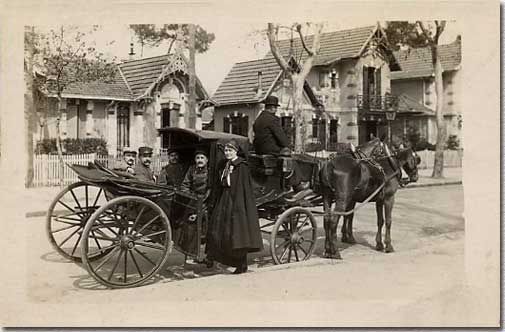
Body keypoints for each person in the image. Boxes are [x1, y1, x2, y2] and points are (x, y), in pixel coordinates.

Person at [205, 139, 262, 274]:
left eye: (230, 150)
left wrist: (238, 205)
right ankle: (218, 257)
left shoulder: (241, 166)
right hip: (225, 198)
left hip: (237, 201)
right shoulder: (225, 164)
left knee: (237, 231)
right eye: (226, 150)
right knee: (219, 229)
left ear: (236, 152)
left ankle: (241, 264)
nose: (227, 153)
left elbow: (243, 188)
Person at [252, 95, 308, 193]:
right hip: (271, 149)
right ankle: (298, 184)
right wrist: (288, 146)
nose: (276, 110)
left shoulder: (258, 119)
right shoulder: (272, 119)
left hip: (259, 149)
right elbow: (281, 137)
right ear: (273, 108)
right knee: (292, 160)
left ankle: (289, 183)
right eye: (276, 108)